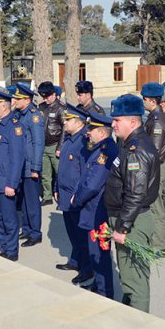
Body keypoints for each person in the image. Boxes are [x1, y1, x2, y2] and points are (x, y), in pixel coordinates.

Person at [105, 94, 160, 312]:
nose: (113, 124)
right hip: (129, 220)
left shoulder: (136, 151)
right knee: (131, 276)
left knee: (134, 281)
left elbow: (135, 194)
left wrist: (122, 227)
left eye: (117, 120)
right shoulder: (130, 145)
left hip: (132, 224)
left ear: (133, 122)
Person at [71, 109, 119, 297]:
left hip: (98, 211)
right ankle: (99, 286)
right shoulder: (100, 148)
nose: (88, 132)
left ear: (102, 132)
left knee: (99, 253)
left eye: (91, 129)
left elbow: (92, 184)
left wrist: (77, 200)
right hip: (94, 209)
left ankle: (105, 292)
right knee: (95, 251)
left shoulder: (105, 152)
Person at [0, 87, 25, 261]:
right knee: (0, 217)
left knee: (9, 219)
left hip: (5, 182)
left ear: (4, 106)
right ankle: (4, 246)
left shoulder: (14, 127)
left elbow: (17, 159)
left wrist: (12, 184)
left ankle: (12, 250)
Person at [54, 103, 92, 283]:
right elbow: (62, 168)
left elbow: (85, 173)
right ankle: (75, 261)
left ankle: (87, 269)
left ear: (79, 123)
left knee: (81, 235)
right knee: (72, 232)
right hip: (64, 194)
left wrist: (77, 195)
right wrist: (56, 188)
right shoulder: (69, 138)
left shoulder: (84, 141)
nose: (64, 123)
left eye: (68, 120)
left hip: (74, 197)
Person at [141, 83, 165, 252]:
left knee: (156, 207)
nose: (143, 102)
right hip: (154, 167)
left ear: (152, 101)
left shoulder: (158, 122)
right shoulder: (153, 117)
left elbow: (154, 151)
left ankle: (159, 246)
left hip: (156, 168)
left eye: (144, 99)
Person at [13, 83, 45, 248]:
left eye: (18, 98)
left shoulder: (34, 116)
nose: (15, 101)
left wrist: (36, 168)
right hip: (21, 165)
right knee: (24, 200)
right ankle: (26, 228)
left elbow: (39, 143)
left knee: (32, 202)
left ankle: (35, 233)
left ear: (27, 99)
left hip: (31, 165)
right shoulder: (19, 114)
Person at [38, 81, 65, 206]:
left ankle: (62, 197)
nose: (45, 99)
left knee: (60, 173)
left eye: (47, 96)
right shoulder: (42, 107)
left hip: (55, 144)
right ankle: (47, 195)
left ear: (53, 94)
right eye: (43, 96)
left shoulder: (60, 108)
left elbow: (65, 129)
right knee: (45, 173)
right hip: (43, 144)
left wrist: (60, 147)